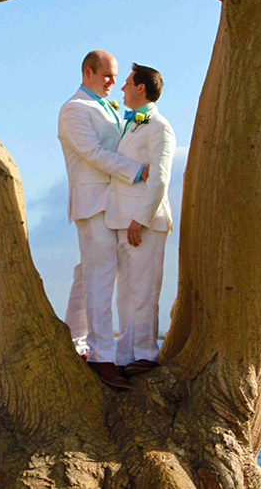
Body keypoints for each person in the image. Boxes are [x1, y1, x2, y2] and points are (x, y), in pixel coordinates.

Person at [58, 49, 147, 390]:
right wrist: (139, 171)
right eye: (108, 75)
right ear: (88, 72)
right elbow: (94, 155)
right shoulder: (74, 109)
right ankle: (101, 358)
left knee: (88, 274)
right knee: (100, 276)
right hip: (92, 202)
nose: (113, 81)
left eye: (115, 76)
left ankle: (76, 341)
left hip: (114, 204)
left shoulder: (109, 109)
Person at [105, 62, 175, 378]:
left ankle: (145, 355)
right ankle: (125, 356)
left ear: (141, 88)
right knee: (126, 294)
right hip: (122, 220)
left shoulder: (160, 126)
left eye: (127, 82)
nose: (122, 88)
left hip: (144, 222)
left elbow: (160, 178)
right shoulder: (137, 122)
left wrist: (140, 219)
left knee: (144, 291)